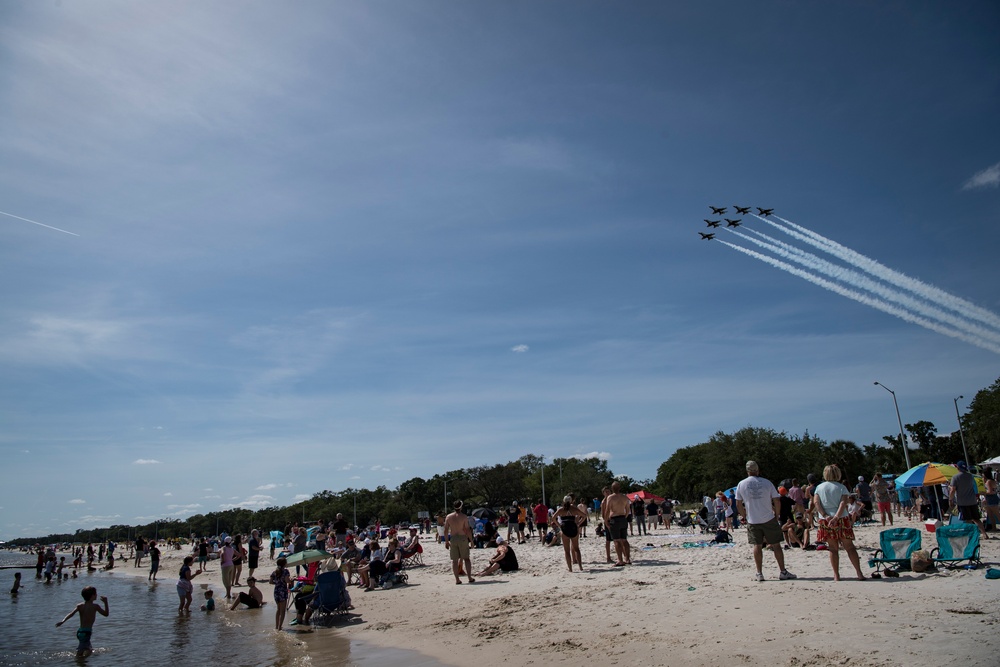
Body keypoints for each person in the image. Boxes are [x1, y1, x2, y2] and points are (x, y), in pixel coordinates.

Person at [734, 460, 796, 582]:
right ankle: (783, 571)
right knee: (776, 544)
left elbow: (738, 503)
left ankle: (759, 573)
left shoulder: (741, 484)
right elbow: (776, 500)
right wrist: (777, 514)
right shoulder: (767, 482)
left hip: (752, 519)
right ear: (757, 470)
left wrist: (745, 515)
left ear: (747, 471)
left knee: (757, 545)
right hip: (768, 518)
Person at [812, 464, 865, 581]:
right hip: (842, 518)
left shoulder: (819, 487)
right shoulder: (841, 487)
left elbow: (816, 503)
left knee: (833, 548)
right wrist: (836, 517)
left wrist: (826, 516)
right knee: (849, 547)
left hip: (825, 519)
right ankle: (859, 573)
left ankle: (836, 575)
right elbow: (843, 503)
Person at [56, 586, 109, 657]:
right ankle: (80, 662)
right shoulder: (95, 606)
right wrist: (105, 602)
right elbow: (106, 614)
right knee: (86, 652)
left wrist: (62, 621)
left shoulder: (80, 606)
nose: (97, 595)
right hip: (86, 633)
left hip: (80, 632)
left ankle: (81, 661)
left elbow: (71, 614)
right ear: (92, 596)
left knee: (86, 649)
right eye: (95, 594)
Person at [950, 461, 989, 538]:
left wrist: (950, 499)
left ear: (957, 468)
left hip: (963, 501)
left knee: (968, 520)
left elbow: (952, 490)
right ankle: (984, 534)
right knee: (976, 519)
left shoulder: (955, 477)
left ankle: (972, 534)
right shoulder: (970, 476)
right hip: (972, 500)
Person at [552, 495, 588, 572]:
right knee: (576, 549)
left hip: (564, 528)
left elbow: (553, 518)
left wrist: (559, 525)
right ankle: (580, 567)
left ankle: (570, 568)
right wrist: (578, 524)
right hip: (574, 528)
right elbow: (584, 516)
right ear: (571, 501)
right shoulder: (574, 509)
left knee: (567, 551)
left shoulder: (561, 509)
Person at [443, 500, 476, 584]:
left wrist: (446, 541)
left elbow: (446, 530)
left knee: (454, 560)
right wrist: (471, 540)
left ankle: (457, 579)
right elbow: (467, 529)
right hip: (462, 538)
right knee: (466, 558)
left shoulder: (449, 517)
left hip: (453, 538)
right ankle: (469, 577)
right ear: (461, 507)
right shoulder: (464, 517)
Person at [601, 481, 632, 566]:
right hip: (623, 518)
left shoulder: (610, 498)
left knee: (616, 540)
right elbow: (628, 510)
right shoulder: (625, 497)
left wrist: (606, 520)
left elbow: (607, 510)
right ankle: (628, 558)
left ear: (612, 489)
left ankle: (620, 560)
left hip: (614, 519)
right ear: (620, 488)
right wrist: (624, 517)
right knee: (624, 540)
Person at [269, 557, 291, 630]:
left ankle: (276, 626)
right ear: (284, 564)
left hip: (276, 591)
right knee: (283, 610)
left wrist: (277, 582)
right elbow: (287, 581)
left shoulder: (275, 571)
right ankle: (279, 627)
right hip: (283, 591)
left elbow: (270, 581)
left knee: (278, 609)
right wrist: (291, 580)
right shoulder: (286, 571)